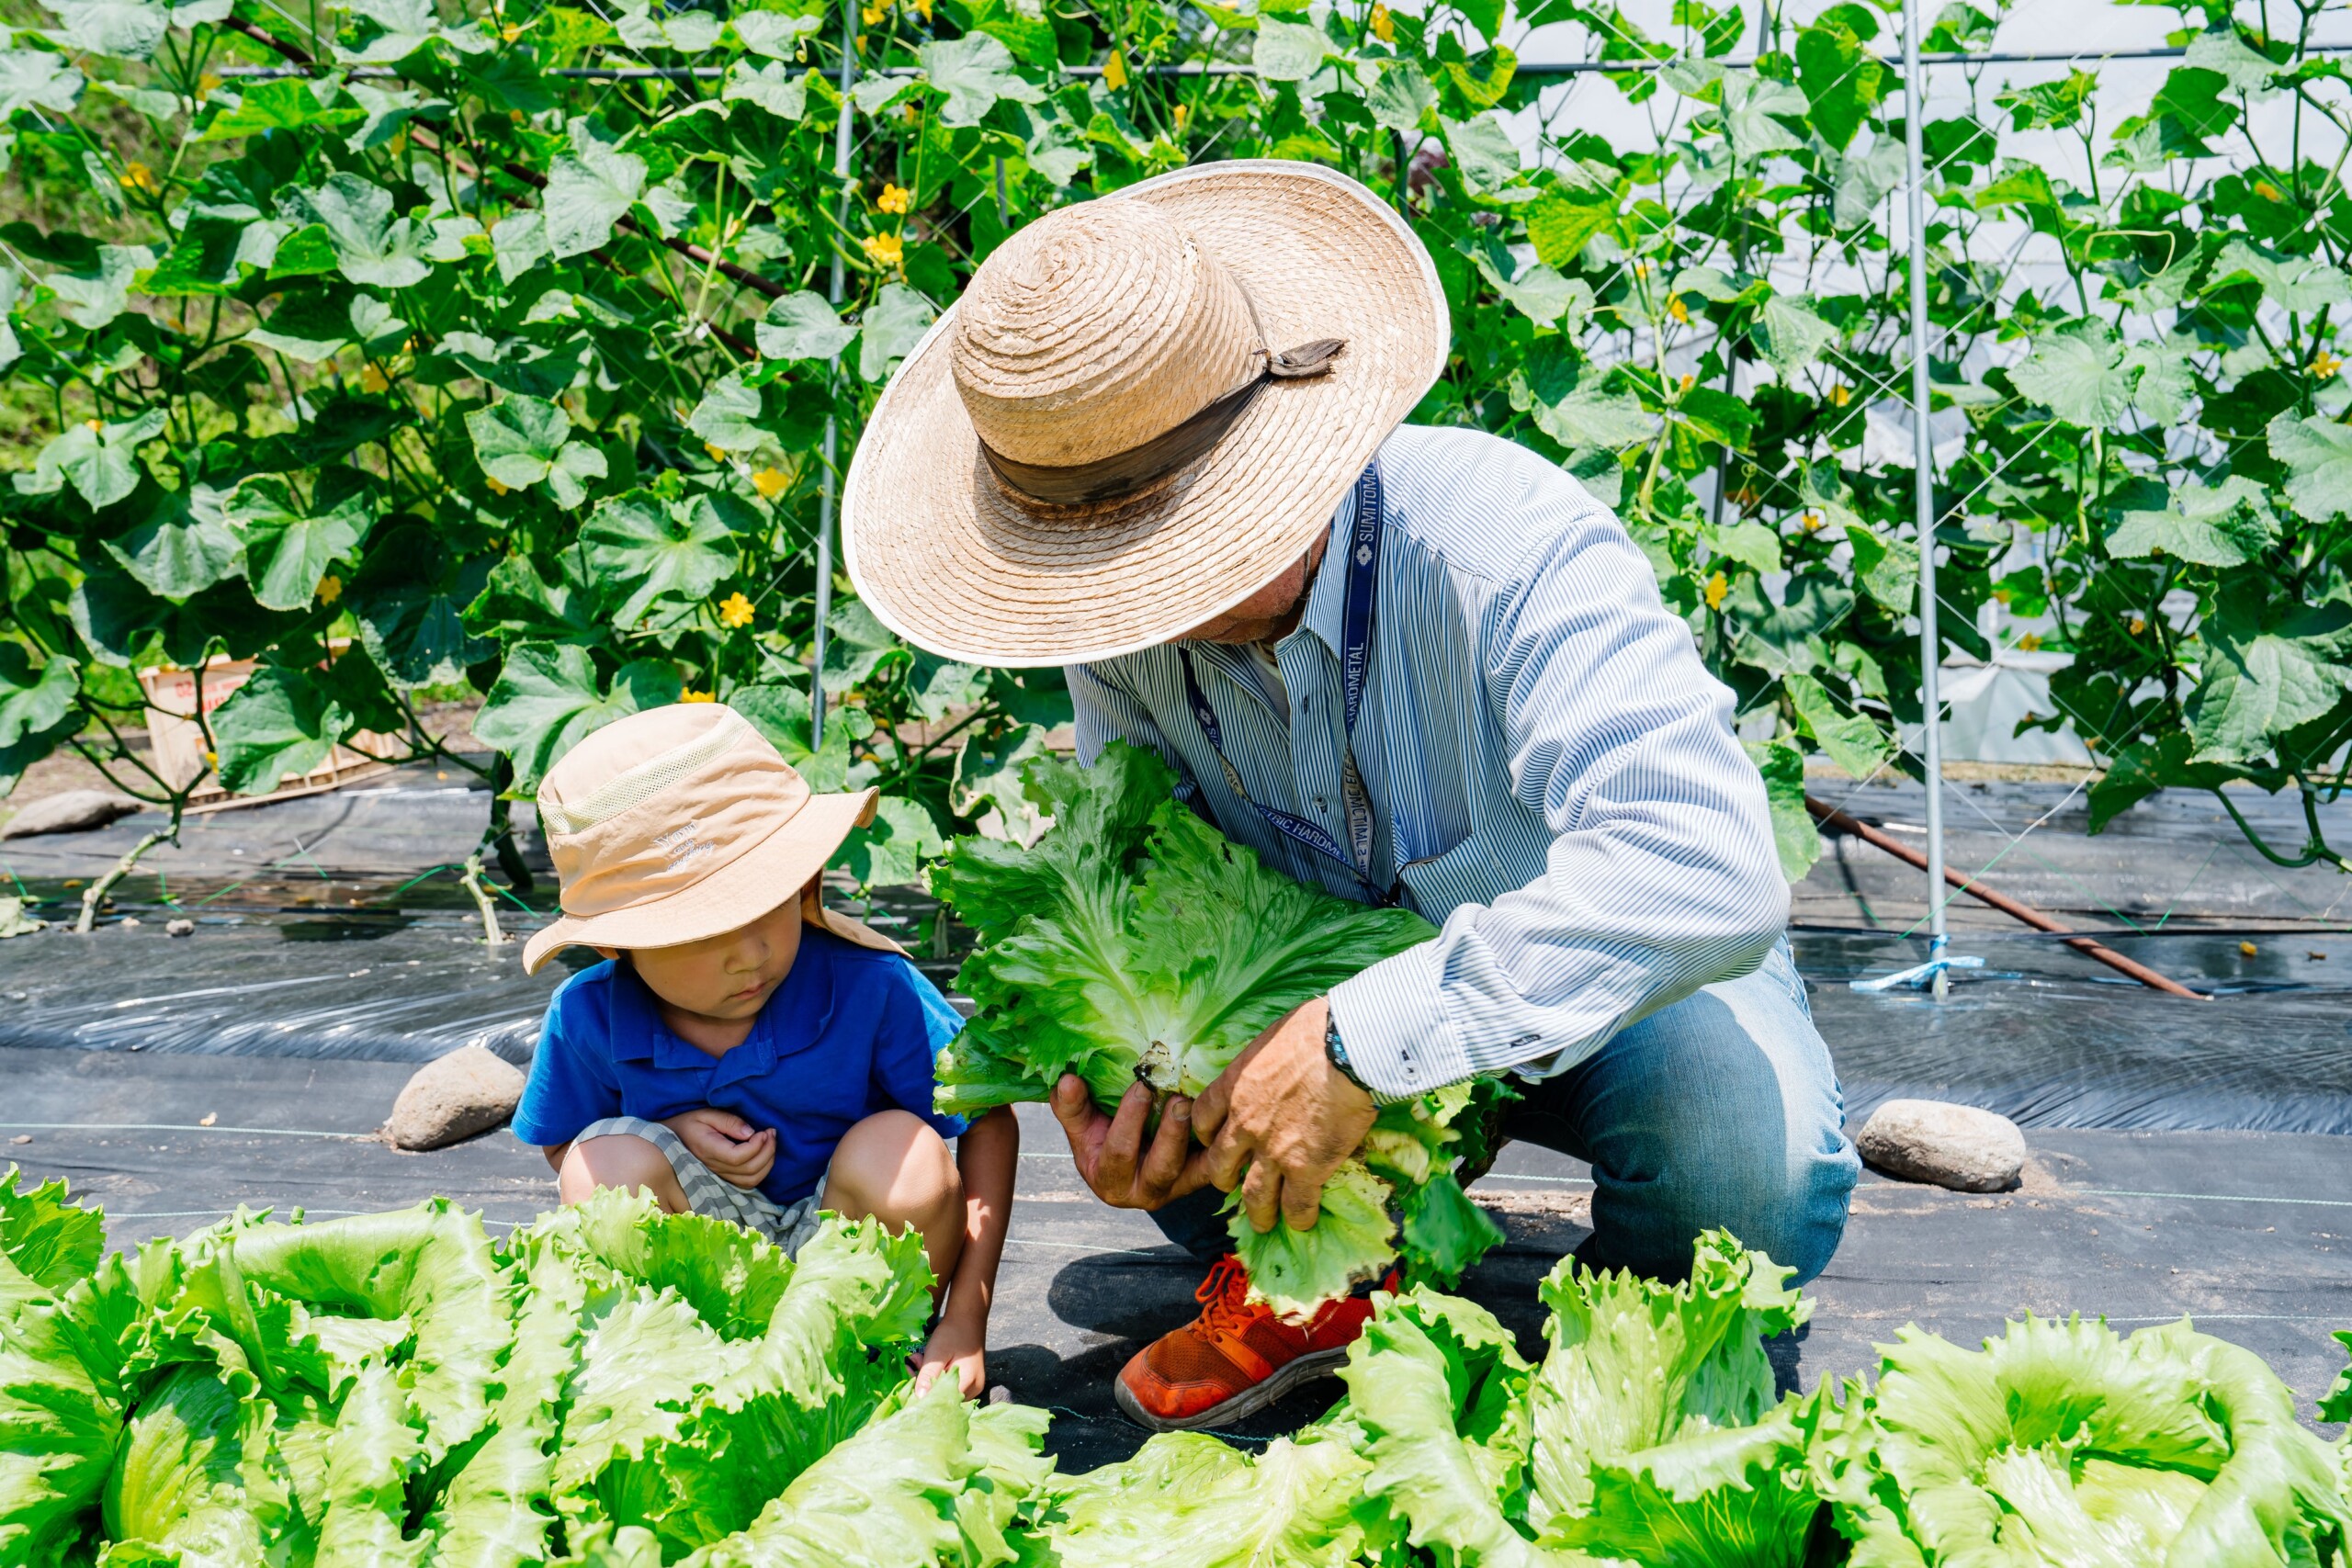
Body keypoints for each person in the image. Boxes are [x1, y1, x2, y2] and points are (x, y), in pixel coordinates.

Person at [842, 159, 1858, 1431]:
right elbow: (1157, 877)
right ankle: (1321, 1290)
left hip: (1599, 978)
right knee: (1179, 1127)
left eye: (1161, 553)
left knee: (1744, 1170)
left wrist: (1353, 1040)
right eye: (1103, 569)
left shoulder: (1502, 545)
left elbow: (1704, 867)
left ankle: (1637, 1333)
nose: (1136, 603)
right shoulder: (1113, 639)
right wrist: (1125, 1100)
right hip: (1317, 978)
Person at [508, 703, 1016, 1397]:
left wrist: (965, 1317)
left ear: (804, 881)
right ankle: (678, 1357)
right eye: (701, 931)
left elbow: (987, 1118)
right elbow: (566, 1153)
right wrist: (667, 1131)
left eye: (767, 903)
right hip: (709, 1269)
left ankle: (878, 1346)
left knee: (906, 1153)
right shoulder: (589, 1014)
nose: (749, 954)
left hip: (846, 1241)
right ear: (613, 941)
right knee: (604, 1163)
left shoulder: (871, 985)